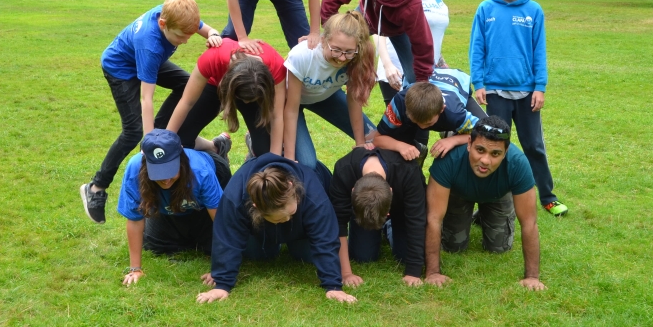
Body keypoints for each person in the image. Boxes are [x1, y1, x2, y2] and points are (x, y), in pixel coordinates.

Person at [81, 0, 222, 224]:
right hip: (121, 68)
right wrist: (150, 145)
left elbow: (205, 28)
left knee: (188, 86)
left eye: (189, 35)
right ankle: (96, 187)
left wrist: (213, 34)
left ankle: (190, 140)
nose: (185, 41)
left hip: (143, 59)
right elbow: (147, 98)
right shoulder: (151, 45)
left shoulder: (178, 14)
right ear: (163, 24)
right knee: (133, 132)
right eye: (180, 37)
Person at [469, 0, 568, 217]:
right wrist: (478, 82)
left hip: (526, 93)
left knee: (533, 145)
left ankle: (547, 197)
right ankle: (490, 205)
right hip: (495, 91)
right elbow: (477, 48)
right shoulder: (485, 9)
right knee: (495, 146)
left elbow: (539, 52)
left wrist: (540, 87)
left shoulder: (533, 11)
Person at [197, 154, 357, 304]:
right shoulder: (235, 196)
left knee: (306, 256)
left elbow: (326, 239)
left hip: (303, 232)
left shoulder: (313, 193)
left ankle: (291, 238)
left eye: (291, 213)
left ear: (292, 187)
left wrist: (333, 286)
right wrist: (222, 282)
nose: (286, 219)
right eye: (279, 219)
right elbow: (227, 236)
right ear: (256, 208)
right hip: (261, 230)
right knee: (257, 255)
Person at [424, 117, 546, 291]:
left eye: (495, 154)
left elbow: (529, 223)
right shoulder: (448, 160)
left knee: (499, 248)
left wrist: (532, 277)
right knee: (453, 246)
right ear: (469, 144)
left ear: (505, 152)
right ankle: (474, 214)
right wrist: (433, 273)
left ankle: (484, 215)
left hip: (498, 195)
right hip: (459, 194)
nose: (485, 160)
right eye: (480, 150)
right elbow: (433, 218)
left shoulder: (518, 163)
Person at [118, 130, 231, 285]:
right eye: (159, 172)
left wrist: (221, 268)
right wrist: (135, 269)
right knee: (155, 245)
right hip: (175, 205)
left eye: (170, 170)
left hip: (212, 182)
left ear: (181, 159)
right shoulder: (134, 169)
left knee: (213, 245)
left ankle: (219, 148)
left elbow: (220, 220)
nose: (166, 179)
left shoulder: (201, 171)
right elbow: (135, 220)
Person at [283, 11, 377, 169]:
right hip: (292, 102)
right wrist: (290, 159)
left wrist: (360, 143)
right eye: (336, 50)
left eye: (348, 52)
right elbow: (291, 110)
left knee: (374, 139)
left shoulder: (356, 57)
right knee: (306, 163)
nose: (341, 58)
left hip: (325, 96)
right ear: (323, 39)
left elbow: (354, 100)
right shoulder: (303, 56)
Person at [165, 37, 287, 159]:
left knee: (264, 151)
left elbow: (276, 115)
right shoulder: (213, 57)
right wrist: (168, 140)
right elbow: (187, 101)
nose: (245, 102)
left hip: (255, 90)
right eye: (242, 98)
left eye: (249, 101)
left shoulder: (276, 66)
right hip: (215, 86)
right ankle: (216, 147)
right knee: (180, 139)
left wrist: (274, 159)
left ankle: (253, 141)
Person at [329, 147, 426, 287]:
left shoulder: (408, 170)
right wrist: (346, 273)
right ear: (353, 191)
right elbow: (338, 223)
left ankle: (389, 227)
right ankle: (374, 228)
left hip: (402, 211)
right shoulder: (344, 169)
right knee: (363, 256)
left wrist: (413, 272)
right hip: (366, 210)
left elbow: (417, 220)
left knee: (405, 255)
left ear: (391, 192)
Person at [377, 0, 456, 102]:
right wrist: (387, 66)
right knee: (409, 125)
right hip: (397, 73)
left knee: (425, 124)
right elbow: (378, 29)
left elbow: (430, 34)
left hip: (425, 72)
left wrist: (441, 64)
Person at [373, 68, 485, 163]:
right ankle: (418, 148)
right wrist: (400, 146)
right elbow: (377, 139)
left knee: (480, 142)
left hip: (456, 81)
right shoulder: (399, 103)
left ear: (442, 109)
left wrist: (454, 140)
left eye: (428, 123)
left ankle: (451, 131)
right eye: (416, 122)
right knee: (402, 150)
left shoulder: (455, 113)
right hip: (423, 86)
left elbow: (488, 133)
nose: (422, 127)